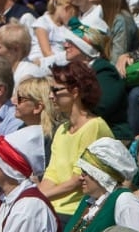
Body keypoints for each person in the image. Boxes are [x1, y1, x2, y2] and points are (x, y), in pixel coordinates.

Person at [39, 59, 113, 218]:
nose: (51, 96)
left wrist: (40, 197)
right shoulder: (62, 130)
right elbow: (51, 174)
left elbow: (78, 180)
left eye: (56, 90)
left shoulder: (94, 127)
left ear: (75, 91)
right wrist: (34, 197)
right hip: (53, 208)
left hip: (77, 212)